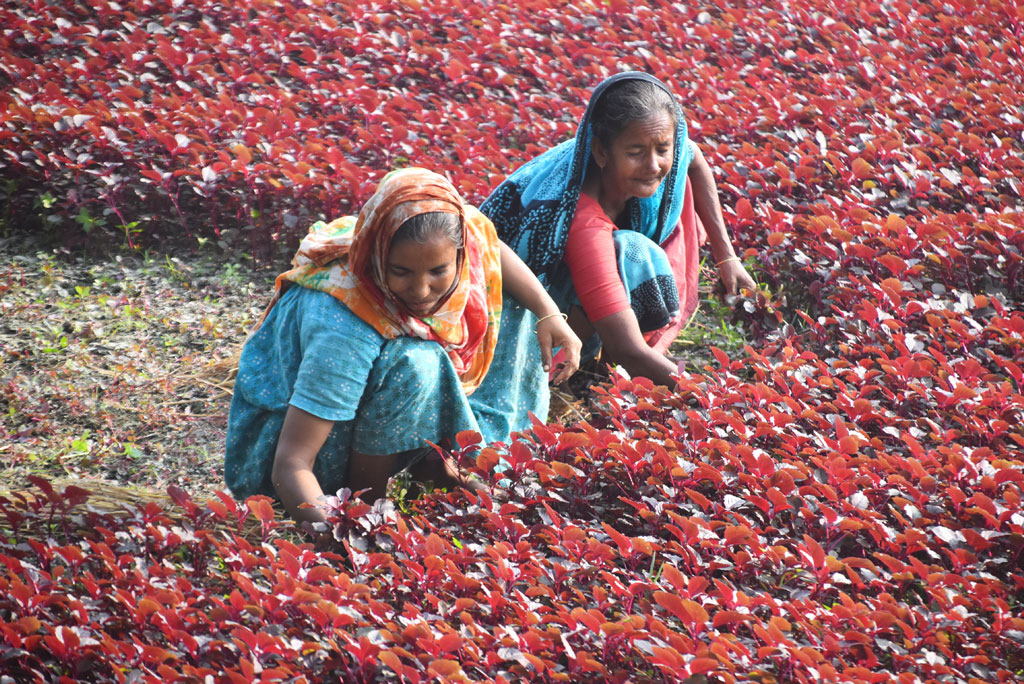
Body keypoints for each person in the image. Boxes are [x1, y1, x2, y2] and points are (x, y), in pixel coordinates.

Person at [225, 168, 581, 523]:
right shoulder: (344, 322)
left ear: (460, 252)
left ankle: (444, 463)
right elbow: (291, 464)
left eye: (438, 271)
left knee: (512, 303)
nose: (421, 290)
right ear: (375, 256)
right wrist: (349, 536)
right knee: (417, 364)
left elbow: (489, 247)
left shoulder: (460, 239)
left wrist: (549, 314)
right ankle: (372, 500)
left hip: (357, 417)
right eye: (401, 272)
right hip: (298, 465)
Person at [481, 72, 755, 388]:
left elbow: (691, 158)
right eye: (635, 152)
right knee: (638, 256)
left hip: (576, 300)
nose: (653, 165)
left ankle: (605, 376)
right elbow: (630, 350)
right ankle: (580, 377)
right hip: (524, 341)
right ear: (600, 152)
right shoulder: (580, 219)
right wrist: (712, 394)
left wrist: (726, 258)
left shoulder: (661, 151)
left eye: (662, 149)